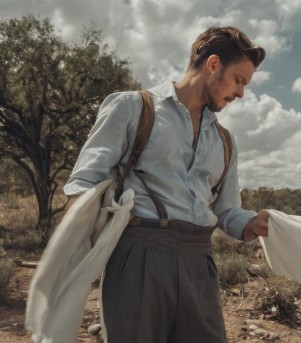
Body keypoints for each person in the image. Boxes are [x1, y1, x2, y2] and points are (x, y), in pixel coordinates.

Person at [64, 26, 269, 343]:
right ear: (213, 64)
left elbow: (227, 210)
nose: (241, 93)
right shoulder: (132, 107)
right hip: (138, 257)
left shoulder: (225, 141)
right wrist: (74, 252)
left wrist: (252, 223)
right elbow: (85, 181)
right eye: (239, 80)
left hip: (199, 261)